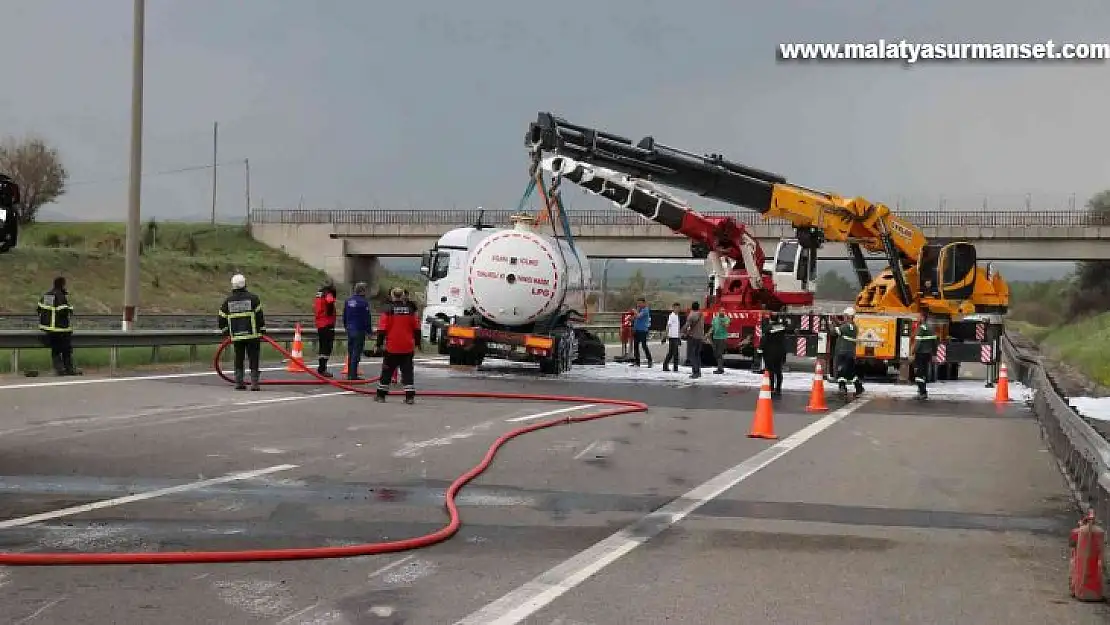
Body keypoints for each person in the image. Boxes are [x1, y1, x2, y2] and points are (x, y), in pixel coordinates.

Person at [218, 273, 265, 391]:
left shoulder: (228, 301)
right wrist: (262, 329)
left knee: (238, 357)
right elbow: (259, 316)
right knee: (253, 358)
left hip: (237, 336)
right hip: (252, 335)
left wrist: (225, 332)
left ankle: (239, 382)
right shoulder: (253, 298)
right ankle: (254, 383)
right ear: (245, 284)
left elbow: (221, 317)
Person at [375, 287, 422, 404]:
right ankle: (409, 397)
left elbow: (382, 329)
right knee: (407, 372)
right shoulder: (410, 310)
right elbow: (417, 329)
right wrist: (417, 343)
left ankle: (381, 395)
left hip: (392, 346)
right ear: (402, 296)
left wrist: (378, 344)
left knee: (387, 371)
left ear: (392, 295)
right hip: (407, 346)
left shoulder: (388, 309)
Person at [37, 276, 77, 376]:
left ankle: (59, 369)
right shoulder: (61, 297)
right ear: (62, 285)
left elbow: (41, 310)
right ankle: (68, 369)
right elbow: (63, 311)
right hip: (61, 329)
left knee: (55, 350)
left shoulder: (47, 296)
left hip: (49, 329)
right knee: (66, 350)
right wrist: (70, 308)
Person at [832, 306, 864, 397]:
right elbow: (842, 325)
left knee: (841, 371)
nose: (844, 317)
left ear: (849, 316)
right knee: (850, 372)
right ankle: (859, 387)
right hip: (850, 353)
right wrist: (837, 321)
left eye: (845, 316)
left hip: (842, 352)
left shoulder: (845, 327)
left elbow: (833, 331)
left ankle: (842, 388)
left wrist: (831, 323)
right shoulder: (854, 327)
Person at [342, 282, 372, 381]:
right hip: (359, 330)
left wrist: (346, 326)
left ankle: (350, 373)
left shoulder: (348, 301)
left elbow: (344, 315)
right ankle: (353, 375)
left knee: (350, 352)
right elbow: (366, 318)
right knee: (356, 352)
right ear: (362, 291)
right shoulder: (363, 302)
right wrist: (369, 331)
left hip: (350, 329)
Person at [313, 278, 338, 377]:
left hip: (320, 323)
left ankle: (321, 367)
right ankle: (322, 369)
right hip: (327, 323)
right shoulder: (328, 294)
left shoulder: (319, 293)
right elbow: (330, 302)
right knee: (327, 347)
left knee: (322, 346)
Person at [760, 311, 789, 397]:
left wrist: (760, 351)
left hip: (769, 353)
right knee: (778, 371)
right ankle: (778, 389)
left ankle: (771, 388)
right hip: (780, 352)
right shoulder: (782, 327)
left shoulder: (768, 328)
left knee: (771, 371)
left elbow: (764, 339)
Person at [911, 316, 938, 399]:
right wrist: (934, 354)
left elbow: (918, 343)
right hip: (928, 354)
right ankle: (923, 392)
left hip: (920, 353)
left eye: (919, 317)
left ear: (922, 318)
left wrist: (912, 352)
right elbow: (935, 342)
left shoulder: (921, 329)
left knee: (918, 374)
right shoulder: (931, 329)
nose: (917, 318)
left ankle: (922, 392)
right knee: (924, 373)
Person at [681, 301, 705, 379]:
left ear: (692, 307)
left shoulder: (691, 315)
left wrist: (683, 331)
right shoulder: (701, 314)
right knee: (697, 355)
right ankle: (698, 371)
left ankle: (695, 372)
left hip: (693, 337)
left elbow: (687, 325)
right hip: (700, 337)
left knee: (692, 355)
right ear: (698, 307)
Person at [661, 302, 683, 372]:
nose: (677, 309)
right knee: (675, 353)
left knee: (671, 352)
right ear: (673, 308)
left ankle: (665, 366)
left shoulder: (677, 316)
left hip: (676, 337)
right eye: (676, 308)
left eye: (678, 308)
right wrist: (665, 335)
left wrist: (679, 337)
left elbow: (677, 328)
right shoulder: (672, 316)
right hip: (672, 337)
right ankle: (675, 368)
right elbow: (668, 326)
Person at [631, 297, 653, 367]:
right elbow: (635, 318)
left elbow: (639, 316)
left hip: (643, 330)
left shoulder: (645, 310)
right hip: (637, 330)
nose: (639, 305)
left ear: (644, 303)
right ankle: (637, 361)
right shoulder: (639, 310)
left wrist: (635, 311)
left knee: (644, 346)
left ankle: (650, 360)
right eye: (638, 303)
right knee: (636, 346)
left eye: (640, 303)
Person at [0, 173, 19, 253]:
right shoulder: (12, 185)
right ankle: (10, 242)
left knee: (4, 226)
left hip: (4, 209)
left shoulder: (12, 186)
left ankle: (8, 242)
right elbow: (17, 199)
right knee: (11, 225)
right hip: (7, 208)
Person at [710, 309, 730, 374]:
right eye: (721, 311)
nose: (722, 312)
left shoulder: (726, 318)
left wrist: (722, 323)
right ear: (718, 312)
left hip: (722, 338)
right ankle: (720, 367)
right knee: (715, 353)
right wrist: (708, 333)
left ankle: (720, 368)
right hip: (715, 337)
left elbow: (727, 325)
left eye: (723, 311)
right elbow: (712, 327)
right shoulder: (715, 318)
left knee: (719, 353)